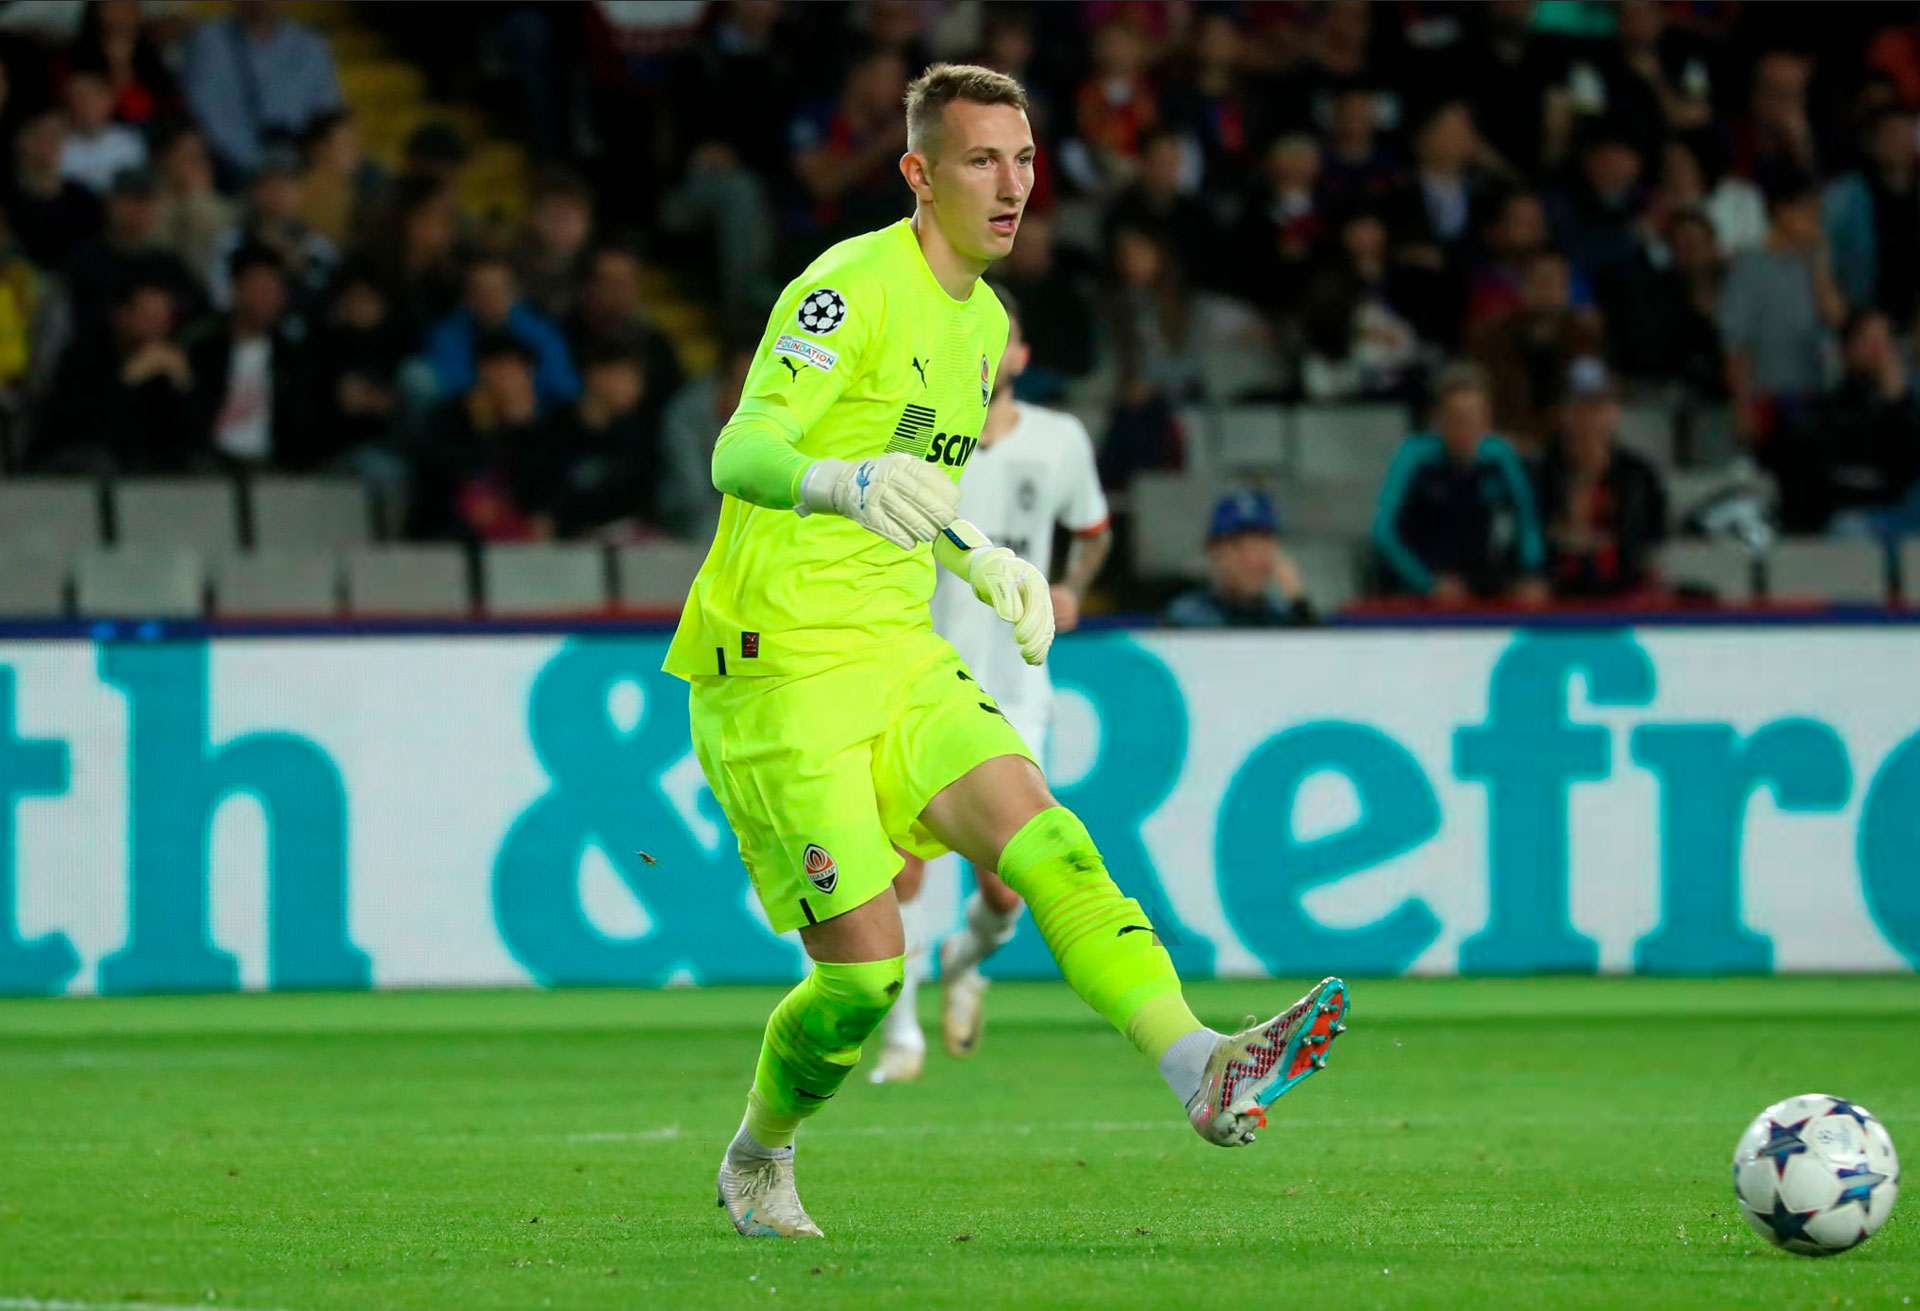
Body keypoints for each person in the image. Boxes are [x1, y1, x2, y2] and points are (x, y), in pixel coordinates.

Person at [670, 64, 1348, 1241]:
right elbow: (741, 450)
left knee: (1051, 841)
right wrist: (836, 479)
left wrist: (981, 558)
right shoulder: (847, 285)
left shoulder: (983, 327)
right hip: (775, 668)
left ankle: (1195, 1061)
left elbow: (917, 492)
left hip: (897, 650)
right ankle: (760, 1150)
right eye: (982, 160)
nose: (1013, 185)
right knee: (863, 982)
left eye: (1025, 160)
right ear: (919, 175)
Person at [867, 288, 1115, 1085]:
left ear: (1019, 357)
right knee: (899, 869)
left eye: (999, 340)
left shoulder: (1061, 439)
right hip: (914, 679)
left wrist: (1073, 585)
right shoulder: (915, 438)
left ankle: (964, 962)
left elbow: (1094, 533)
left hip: (1013, 685)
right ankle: (902, 1038)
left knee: (1006, 893)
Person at [1373, 361, 1548, 605]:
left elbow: (1527, 520)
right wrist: (1428, 583)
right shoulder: (1413, 456)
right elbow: (1384, 532)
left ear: (1487, 421)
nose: (1464, 430)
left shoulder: (1499, 456)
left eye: (1473, 419)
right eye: (1456, 419)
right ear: (1438, 421)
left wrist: (1530, 573)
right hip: (1419, 581)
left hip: (1478, 578)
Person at [1533, 359, 1669, 599]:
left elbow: (1650, 539)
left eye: (1598, 407)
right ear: (1564, 412)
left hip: (1623, 588)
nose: (1589, 418)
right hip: (1556, 590)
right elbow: (1533, 540)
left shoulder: (1638, 474)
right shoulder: (1541, 473)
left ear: (1613, 412)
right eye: (1580, 406)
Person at [32, 278, 197, 473]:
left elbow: (191, 434)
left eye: (164, 319)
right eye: (148, 318)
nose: (158, 328)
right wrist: (129, 379)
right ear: (121, 316)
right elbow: (81, 429)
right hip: (74, 463)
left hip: (147, 468)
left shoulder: (171, 362)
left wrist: (183, 382)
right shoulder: (82, 358)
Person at [182, 0, 343, 183]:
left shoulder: (311, 45)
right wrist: (258, 163)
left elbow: (327, 114)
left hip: (301, 164)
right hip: (234, 167)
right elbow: (206, 114)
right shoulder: (210, 42)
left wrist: (298, 160)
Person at [185, 243, 308, 468]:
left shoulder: (289, 353)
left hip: (271, 464)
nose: (269, 299)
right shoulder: (202, 344)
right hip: (210, 461)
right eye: (260, 290)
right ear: (237, 289)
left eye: (274, 290)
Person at [425, 253, 580, 412]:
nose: (489, 297)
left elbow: (564, 388)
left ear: (515, 294)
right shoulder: (448, 333)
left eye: (497, 289)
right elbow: (454, 385)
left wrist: (519, 389)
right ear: (466, 297)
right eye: (480, 290)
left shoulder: (542, 332)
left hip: (536, 414)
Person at [1164, 490, 1316, 626]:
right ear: (1213, 550)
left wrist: (1299, 604)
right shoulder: (1186, 617)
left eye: (1262, 546)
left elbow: (1317, 651)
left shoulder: (1283, 616)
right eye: (1239, 546)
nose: (1253, 559)